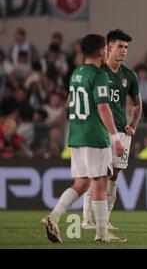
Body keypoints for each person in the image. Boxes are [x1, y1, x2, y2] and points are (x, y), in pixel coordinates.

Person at [40, 34, 126, 243]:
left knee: (81, 183)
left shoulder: (76, 73)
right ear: (100, 51)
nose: (106, 51)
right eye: (105, 48)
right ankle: (102, 233)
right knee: (100, 182)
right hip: (94, 135)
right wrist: (115, 136)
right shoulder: (99, 75)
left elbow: (71, 103)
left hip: (77, 135)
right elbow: (103, 107)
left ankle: (53, 217)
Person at [82, 29, 141, 231]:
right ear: (109, 48)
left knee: (114, 176)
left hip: (122, 134)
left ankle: (104, 219)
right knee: (97, 175)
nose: (123, 51)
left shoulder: (129, 75)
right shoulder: (97, 73)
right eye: (119, 46)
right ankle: (86, 220)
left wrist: (132, 125)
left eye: (126, 47)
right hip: (101, 131)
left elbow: (137, 105)